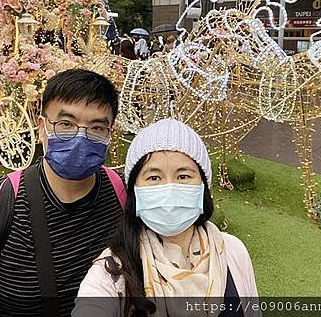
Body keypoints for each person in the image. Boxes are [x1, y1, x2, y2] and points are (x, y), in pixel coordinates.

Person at [0, 70, 125, 316]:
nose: (80, 137)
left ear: (110, 133)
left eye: (96, 127)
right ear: (42, 127)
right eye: (66, 124)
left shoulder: (124, 195)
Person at [74, 119, 259, 317]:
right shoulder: (110, 273)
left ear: (203, 186)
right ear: (134, 191)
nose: (169, 187)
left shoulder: (232, 251)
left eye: (183, 176)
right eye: (154, 178)